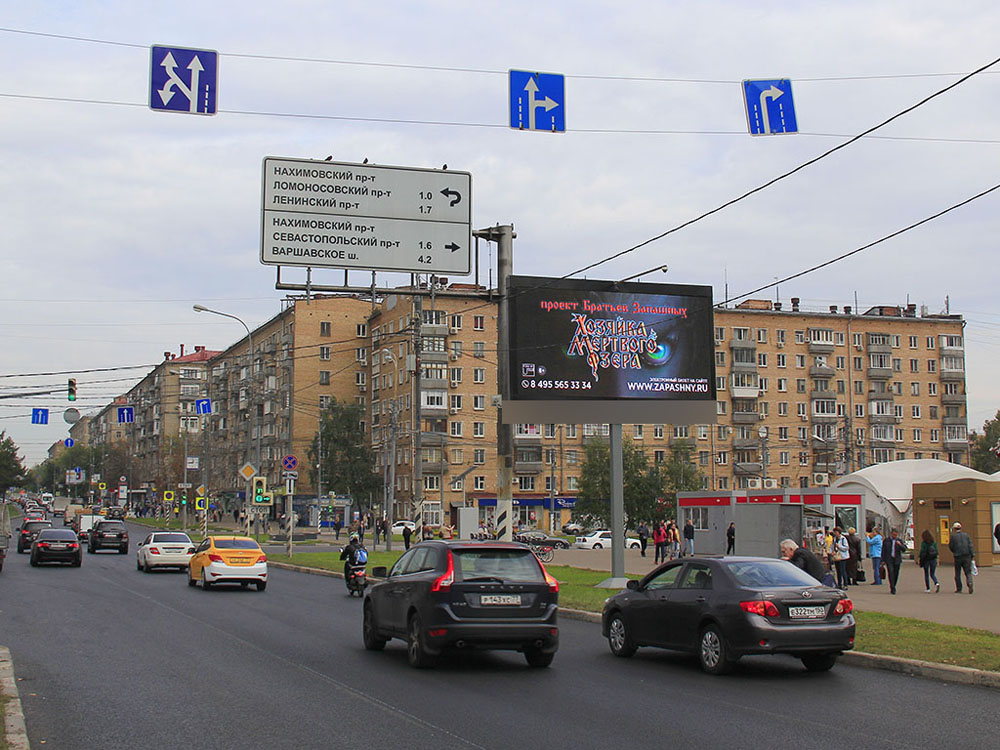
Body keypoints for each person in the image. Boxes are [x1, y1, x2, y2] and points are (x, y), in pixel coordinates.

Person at [948, 522, 975, 594]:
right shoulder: (966, 535)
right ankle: (970, 582)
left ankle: (959, 588)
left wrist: (954, 552)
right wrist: (972, 555)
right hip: (967, 556)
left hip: (957, 557)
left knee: (957, 573)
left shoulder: (953, 537)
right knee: (968, 572)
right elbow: (970, 545)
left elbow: (951, 546)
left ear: (954, 529)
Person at [883, 529, 906, 595]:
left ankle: (894, 584)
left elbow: (904, 549)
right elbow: (883, 550)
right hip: (889, 559)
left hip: (897, 559)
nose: (894, 536)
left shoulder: (899, 541)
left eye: (896, 535)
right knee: (890, 573)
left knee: (896, 573)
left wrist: (900, 545)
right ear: (891, 534)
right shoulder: (887, 540)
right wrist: (883, 560)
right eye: (893, 535)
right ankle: (892, 587)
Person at [918, 529, 940, 593]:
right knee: (932, 573)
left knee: (926, 574)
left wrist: (919, 558)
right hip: (933, 559)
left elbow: (922, 551)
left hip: (926, 560)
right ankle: (936, 583)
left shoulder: (924, 543)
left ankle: (928, 588)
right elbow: (937, 551)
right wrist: (937, 560)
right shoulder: (934, 543)